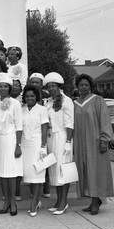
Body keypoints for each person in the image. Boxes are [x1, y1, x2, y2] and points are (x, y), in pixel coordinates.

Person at [73, 74, 114, 215]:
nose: (83, 87)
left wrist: (104, 139)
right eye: (81, 85)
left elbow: (104, 120)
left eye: (86, 85)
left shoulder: (98, 101)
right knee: (85, 171)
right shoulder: (75, 103)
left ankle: (96, 200)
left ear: (90, 86)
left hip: (95, 142)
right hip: (80, 143)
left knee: (96, 170)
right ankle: (93, 200)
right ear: (77, 87)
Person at [0, 73, 23, 216]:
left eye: (5, 86)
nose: (3, 89)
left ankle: (13, 202)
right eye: (0, 86)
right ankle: (6, 202)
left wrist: (18, 145)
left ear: (9, 88)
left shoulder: (15, 103)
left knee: (12, 172)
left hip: (11, 139)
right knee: (2, 174)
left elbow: (19, 126)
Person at [44, 72, 74, 215]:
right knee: (54, 170)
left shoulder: (66, 101)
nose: (51, 89)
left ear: (59, 86)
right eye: (49, 87)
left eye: (54, 86)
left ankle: (64, 202)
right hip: (51, 137)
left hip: (62, 137)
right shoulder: (49, 101)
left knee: (63, 170)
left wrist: (68, 141)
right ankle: (58, 200)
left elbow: (69, 122)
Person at [21, 85, 49, 216]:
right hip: (25, 145)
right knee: (29, 175)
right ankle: (36, 200)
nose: (29, 98)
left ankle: (34, 203)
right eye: (27, 96)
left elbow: (44, 128)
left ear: (36, 97)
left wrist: (43, 146)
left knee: (37, 174)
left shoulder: (42, 110)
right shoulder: (22, 110)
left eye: (32, 96)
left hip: (37, 145)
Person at [29, 72, 51, 198]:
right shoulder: (28, 97)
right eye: (32, 82)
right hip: (35, 133)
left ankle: (46, 186)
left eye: (37, 82)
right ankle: (34, 190)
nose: (35, 84)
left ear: (42, 84)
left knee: (46, 161)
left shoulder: (48, 96)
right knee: (35, 162)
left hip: (49, 131)